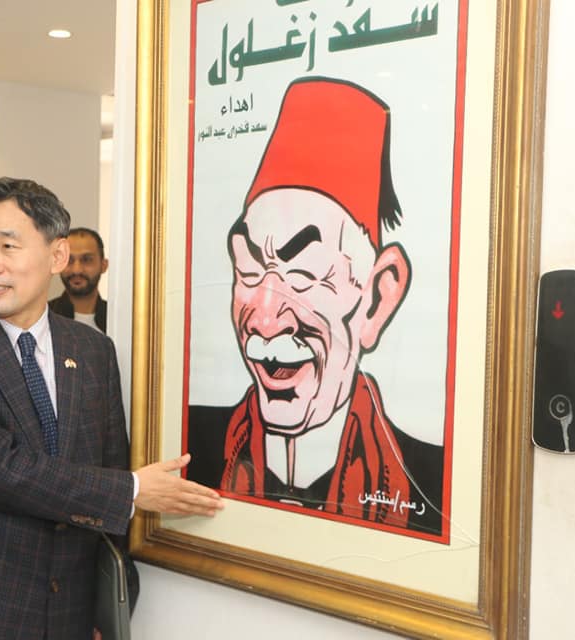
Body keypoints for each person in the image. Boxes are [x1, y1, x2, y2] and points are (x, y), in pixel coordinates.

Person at [0, 177, 223, 639]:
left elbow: (109, 464)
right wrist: (131, 491)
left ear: (57, 256)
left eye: (8, 246)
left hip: (67, 617)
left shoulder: (92, 350)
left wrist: (110, 605)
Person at [186, 78, 443, 534]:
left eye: (303, 275)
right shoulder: (194, 449)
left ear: (378, 298)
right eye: (249, 271)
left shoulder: (430, 481)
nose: (265, 320)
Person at [49, 227, 109, 333]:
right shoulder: (42, 318)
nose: (76, 270)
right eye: (69, 260)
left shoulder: (118, 319)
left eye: (86, 260)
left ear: (103, 265)